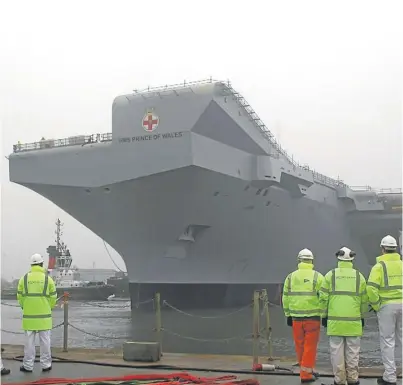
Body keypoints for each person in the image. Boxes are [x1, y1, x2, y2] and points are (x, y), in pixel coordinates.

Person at [319, 247, 368, 385]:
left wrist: (324, 315)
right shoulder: (359, 276)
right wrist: (362, 316)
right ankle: (353, 379)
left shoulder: (330, 275)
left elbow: (323, 298)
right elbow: (364, 300)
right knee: (353, 352)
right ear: (352, 259)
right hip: (354, 322)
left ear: (338, 259)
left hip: (335, 322)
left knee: (336, 352)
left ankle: (339, 380)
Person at [282, 248, 324, 383]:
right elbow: (323, 297)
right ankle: (306, 374)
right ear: (311, 261)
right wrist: (324, 313)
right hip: (313, 317)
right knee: (310, 346)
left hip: (295, 318)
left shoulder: (290, 277)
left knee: (299, 345)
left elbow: (285, 297)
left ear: (299, 260)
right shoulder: (318, 276)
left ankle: (305, 369)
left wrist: (288, 314)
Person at [367, 235, 402, 385]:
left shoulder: (379, 267)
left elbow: (371, 288)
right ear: (396, 249)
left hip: (386, 306)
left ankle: (390, 376)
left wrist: (376, 305)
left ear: (382, 249)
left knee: (388, 341)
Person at [17, 253, 57, 373]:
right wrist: (47, 308)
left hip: (29, 317)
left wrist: (26, 307)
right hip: (44, 318)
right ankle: (46, 365)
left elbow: (20, 297)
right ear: (41, 264)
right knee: (45, 342)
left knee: (29, 343)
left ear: (31, 265)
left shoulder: (23, 279)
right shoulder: (48, 279)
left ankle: (28, 365)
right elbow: (53, 297)